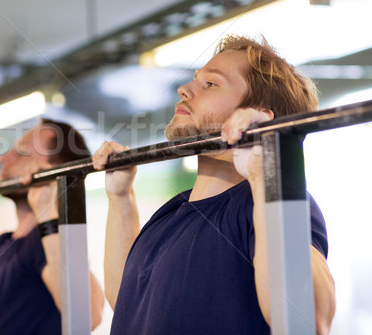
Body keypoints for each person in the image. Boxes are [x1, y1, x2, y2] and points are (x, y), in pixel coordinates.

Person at [93, 35, 336, 334]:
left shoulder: (268, 201)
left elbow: (309, 318)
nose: (184, 90)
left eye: (211, 84)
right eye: (196, 80)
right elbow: (127, 301)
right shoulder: (172, 212)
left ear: (257, 115)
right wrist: (120, 198)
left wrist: (266, 172)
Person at [0, 118, 105, 334]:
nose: (3, 158)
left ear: (52, 169)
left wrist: (47, 201)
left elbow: (89, 315)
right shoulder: (5, 241)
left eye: (22, 153)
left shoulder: (45, 243)